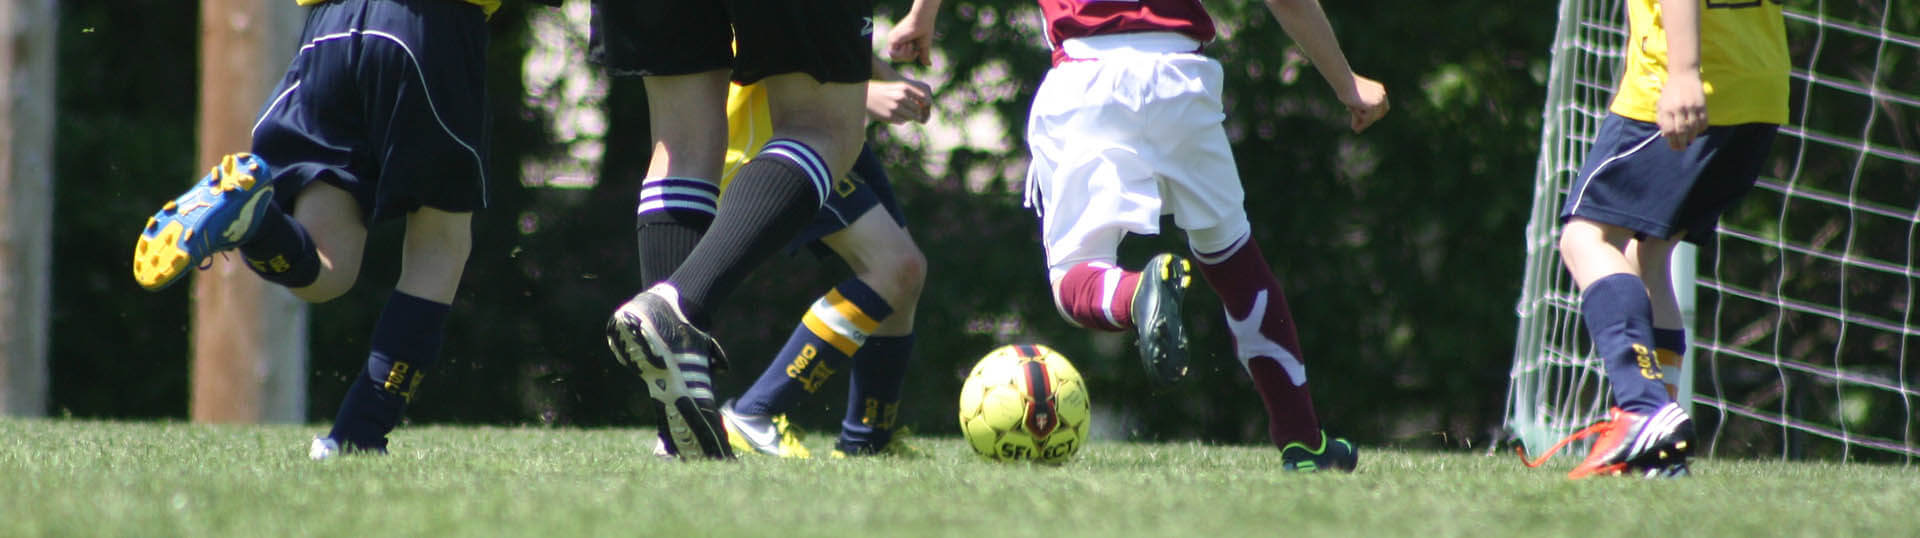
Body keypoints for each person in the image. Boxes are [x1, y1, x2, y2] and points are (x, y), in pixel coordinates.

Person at [128, 0, 549, 459]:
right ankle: (361, 433)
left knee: (327, 270)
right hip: (430, 25)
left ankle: (256, 222)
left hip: (329, 31)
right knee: (440, 245)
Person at [1020, 0, 1388, 472]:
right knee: (1236, 261)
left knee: (1075, 276)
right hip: (1180, 79)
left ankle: (1135, 295)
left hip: (1085, 77)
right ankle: (1303, 443)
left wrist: (921, 16)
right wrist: (1346, 81)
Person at [591, 0, 940, 459]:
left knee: (678, 142)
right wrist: (921, 16)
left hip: (748, 141)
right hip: (765, 149)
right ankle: (733, 381)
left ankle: (678, 433)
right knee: (828, 133)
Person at [1524, 0, 1788, 479]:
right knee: (1649, 252)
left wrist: (1685, 72)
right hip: (1760, 85)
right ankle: (1660, 455)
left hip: (1686, 84)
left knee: (1585, 238)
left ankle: (1642, 407)